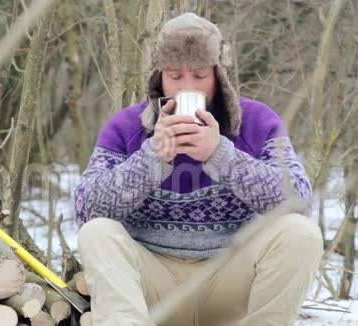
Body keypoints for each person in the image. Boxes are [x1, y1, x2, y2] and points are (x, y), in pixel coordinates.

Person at [74, 13, 323, 326]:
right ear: (158, 77)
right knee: (97, 232)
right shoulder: (127, 127)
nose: (187, 87)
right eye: (175, 76)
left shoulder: (257, 122)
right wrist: (151, 158)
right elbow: (86, 209)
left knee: (301, 233)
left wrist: (221, 155)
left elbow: (299, 201)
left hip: (229, 281)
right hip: (152, 287)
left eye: (200, 75)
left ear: (219, 75)